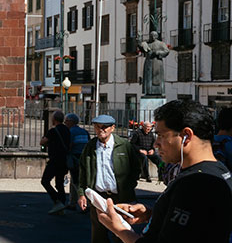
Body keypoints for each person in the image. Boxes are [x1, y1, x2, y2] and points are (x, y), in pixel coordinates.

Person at [96, 99, 232, 242]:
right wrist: (153, 215)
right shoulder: (218, 170)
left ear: (186, 136)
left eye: (161, 135)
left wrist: (119, 230)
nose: (156, 143)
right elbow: (197, 223)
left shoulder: (194, 183)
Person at [77, 114, 142, 243]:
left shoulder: (124, 145)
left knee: (121, 232)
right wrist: (81, 194)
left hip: (120, 196)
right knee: (98, 233)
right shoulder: (90, 147)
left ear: (112, 128)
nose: (101, 130)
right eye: (97, 127)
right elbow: (83, 171)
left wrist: (129, 185)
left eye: (105, 127)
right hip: (99, 196)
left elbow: (136, 167)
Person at [39, 110, 71, 215]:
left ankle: (57, 201)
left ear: (54, 119)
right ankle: (61, 205)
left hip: (54, 160)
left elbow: (43, 142)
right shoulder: (67, 130)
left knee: (45, 181)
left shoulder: (53, 131)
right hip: (64, 160)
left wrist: (46, 142)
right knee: (59, 183)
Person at [65, 113, 90, 209]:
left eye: (66, 121)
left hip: (75, 157)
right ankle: (72, 202)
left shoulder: (70, 132)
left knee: (76, 180)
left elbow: (69, 145)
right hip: (84, 158)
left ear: (71, 122)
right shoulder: (84, 131)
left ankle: (83, 202)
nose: (65, 123)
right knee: (74, 180)